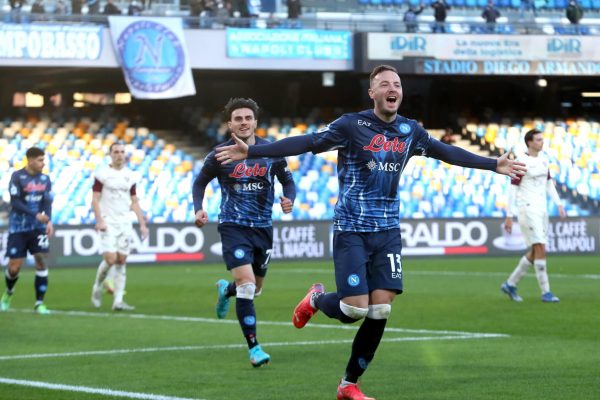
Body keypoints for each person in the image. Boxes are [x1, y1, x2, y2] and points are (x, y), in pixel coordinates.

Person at [214, 65, 526, 399]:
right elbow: (308, 142)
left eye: (398, 83)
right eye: (384, 84)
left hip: (388, 230)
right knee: (353, 309)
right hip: (352, 229)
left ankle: (349, 384)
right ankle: (317, 298)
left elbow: (447, 153)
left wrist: (494, 164)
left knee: (381, 309)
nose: (392, 88)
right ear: (372, 93)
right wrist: (254, 150)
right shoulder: (351, 125)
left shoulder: (411, 130)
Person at [193, 98, 296, 368]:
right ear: (230, 124)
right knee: (248, 286)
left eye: (247, 118)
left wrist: (289, 198)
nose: (243, 122)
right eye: (238, 119)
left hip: (263, 228)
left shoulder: (271, 151)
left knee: (255, 289)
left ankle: (226, 290)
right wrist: (198, 208)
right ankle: (254, 347)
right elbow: (200, 181)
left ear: (255, 122)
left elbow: (288, 180)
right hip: (233, 225)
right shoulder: (220, 154)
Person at [501, 129, 565, 304]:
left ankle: (510, 283)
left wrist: (559, 204)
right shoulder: (521, 161)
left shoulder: (544, 161)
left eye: (542, 139)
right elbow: (512, 188)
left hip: (542, 209)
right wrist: (509, 215)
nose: (541, 142)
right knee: (541, 247)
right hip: (527, 209)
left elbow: (549, 184)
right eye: (538, 139)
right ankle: (546, 292)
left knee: (535, 250)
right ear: (529, 142)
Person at [90, 142, 148, 311]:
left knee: (121, 260)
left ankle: (118, 300)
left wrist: (142, 224)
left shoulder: (130, 175)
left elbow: (134, 201)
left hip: (125, 222)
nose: (119, 155)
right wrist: (99, 220)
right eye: (116, 151)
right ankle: (97, 286)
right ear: (110, 154)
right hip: (108, 221)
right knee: (110, 259)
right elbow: (95, 198)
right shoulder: (102, 174)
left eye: (122, 152)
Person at [1, 147, 53, 315]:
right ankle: (8, 293)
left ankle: (39, 303)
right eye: (40, 160)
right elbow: (15, 202)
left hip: (38, 228)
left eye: (43, 160)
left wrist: (49, 220)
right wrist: (35, 214)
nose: (43, 163)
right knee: (15, 267)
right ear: (30, 160)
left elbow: (47, 201)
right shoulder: (17, 177)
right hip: (18, 227)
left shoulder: (45, 179)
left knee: (41, 261)